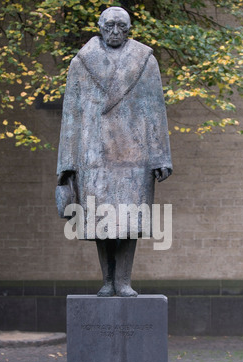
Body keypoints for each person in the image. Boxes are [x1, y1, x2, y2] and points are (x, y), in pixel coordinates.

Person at [57, 6, 172, 297]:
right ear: (100, 27)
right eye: (109, 25)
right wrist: (67, 165)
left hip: (135, 153)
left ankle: (123, 280)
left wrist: (161, 156)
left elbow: (156, 109)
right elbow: (71, 114)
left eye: (121, 26)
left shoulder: (145, 60)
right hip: (94, 154)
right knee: (101, 221)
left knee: (129, 221)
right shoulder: (82, 62)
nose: (115, 31)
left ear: (129, 28)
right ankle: (107, 280)